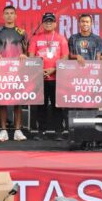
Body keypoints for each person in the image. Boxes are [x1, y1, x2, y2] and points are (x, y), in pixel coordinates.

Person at [28, 12, 69, 140]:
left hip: (57, 77)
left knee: (58, 106)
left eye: (51, 21)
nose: (48, 23)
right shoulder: (35, 38)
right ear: (42, 24)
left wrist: (54, 69)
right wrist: (39, 69)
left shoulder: (61, 38)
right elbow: (31, 56)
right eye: (46, 21)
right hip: (40, 77)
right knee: (41, 106)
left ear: (55, 24)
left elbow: (65, 57)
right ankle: (41, 132)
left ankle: (59, 132)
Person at [0, 6, 28, 142]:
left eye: (12, 13)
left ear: (16, 16)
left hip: (18, 70)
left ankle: (18, 131)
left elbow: (27, 50)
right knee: (3, 100)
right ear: (3, 16)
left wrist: (24, 54)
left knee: (18, 100)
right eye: (6, 13)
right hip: (2, 70)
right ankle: (3, 131)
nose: (9, 15)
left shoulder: (22, 32)